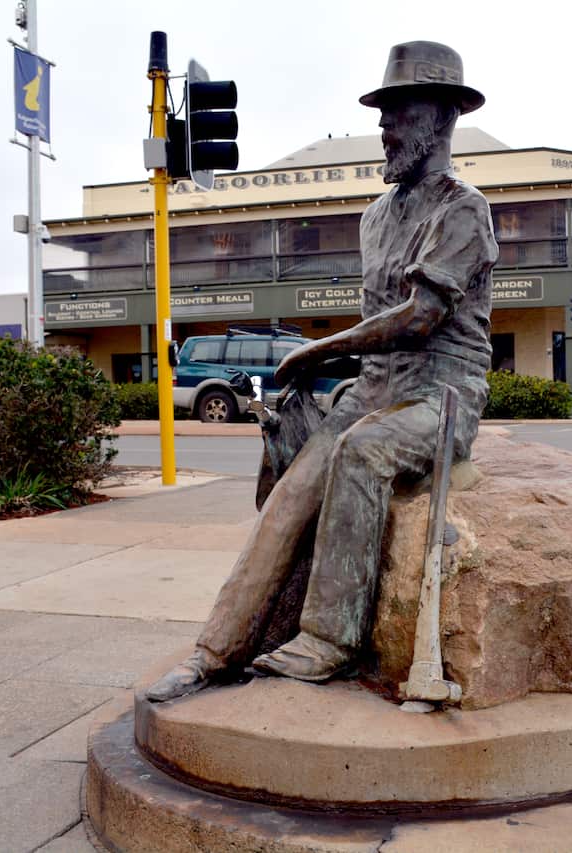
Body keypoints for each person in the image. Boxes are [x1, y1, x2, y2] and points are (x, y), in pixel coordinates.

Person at [147, 41, 497, 702]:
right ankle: (215, 649)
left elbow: (420, 317)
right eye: (383, 111)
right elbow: (375, 332)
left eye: (399, 111)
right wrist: (329, 383)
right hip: (372, 390)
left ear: (443, 117)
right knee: (294, 485)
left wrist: (315, 351)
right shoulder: (373, 218)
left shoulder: (464, 209)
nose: (384, 126)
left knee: (362, 453)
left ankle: (329, 640)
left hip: (441, 396)